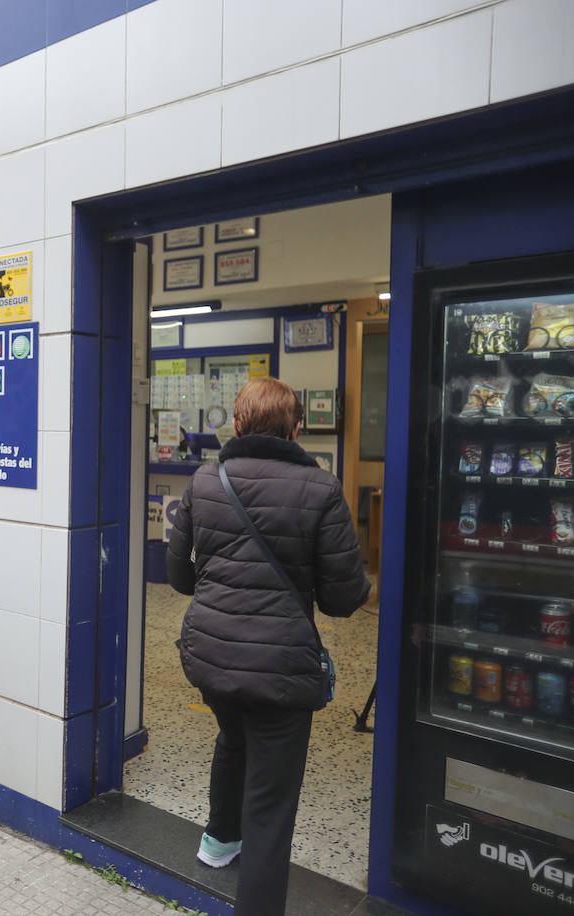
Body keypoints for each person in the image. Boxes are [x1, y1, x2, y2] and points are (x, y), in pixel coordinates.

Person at [167, 377, 369, 916]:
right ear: (296, 428)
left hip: (210, 660)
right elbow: (343, 600)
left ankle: (216, 845)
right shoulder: (321, 489)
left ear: (236, 425)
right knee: (271, 805)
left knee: (233, 737)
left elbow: (179, 579)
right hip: (279, 671)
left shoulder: (205, 481)